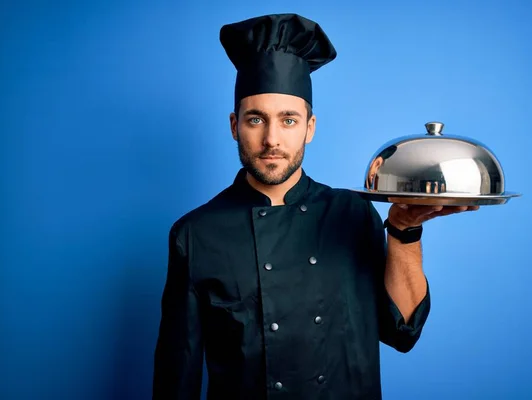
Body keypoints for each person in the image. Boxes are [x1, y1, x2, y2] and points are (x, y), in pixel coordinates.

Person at [152, 13, 478, 400]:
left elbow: (402, 332)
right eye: (256, 119)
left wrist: (405, 231)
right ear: (234, 125)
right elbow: (178, 375)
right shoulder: (196, 234)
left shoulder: (352, 214)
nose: (272, 139)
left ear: (310, 127)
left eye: (288, 120)